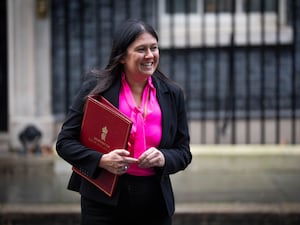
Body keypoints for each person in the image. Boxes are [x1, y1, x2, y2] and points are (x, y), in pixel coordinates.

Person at [56, 19, 192, 225]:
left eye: (154, 48)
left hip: (154, 203)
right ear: (122, 57)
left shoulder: (172, 94)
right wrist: (102, 160)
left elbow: (183, 152)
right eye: (141, 49)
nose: (149, 55)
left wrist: (163, 157)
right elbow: (65, 143)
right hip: (103, 204)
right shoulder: (96, 89)